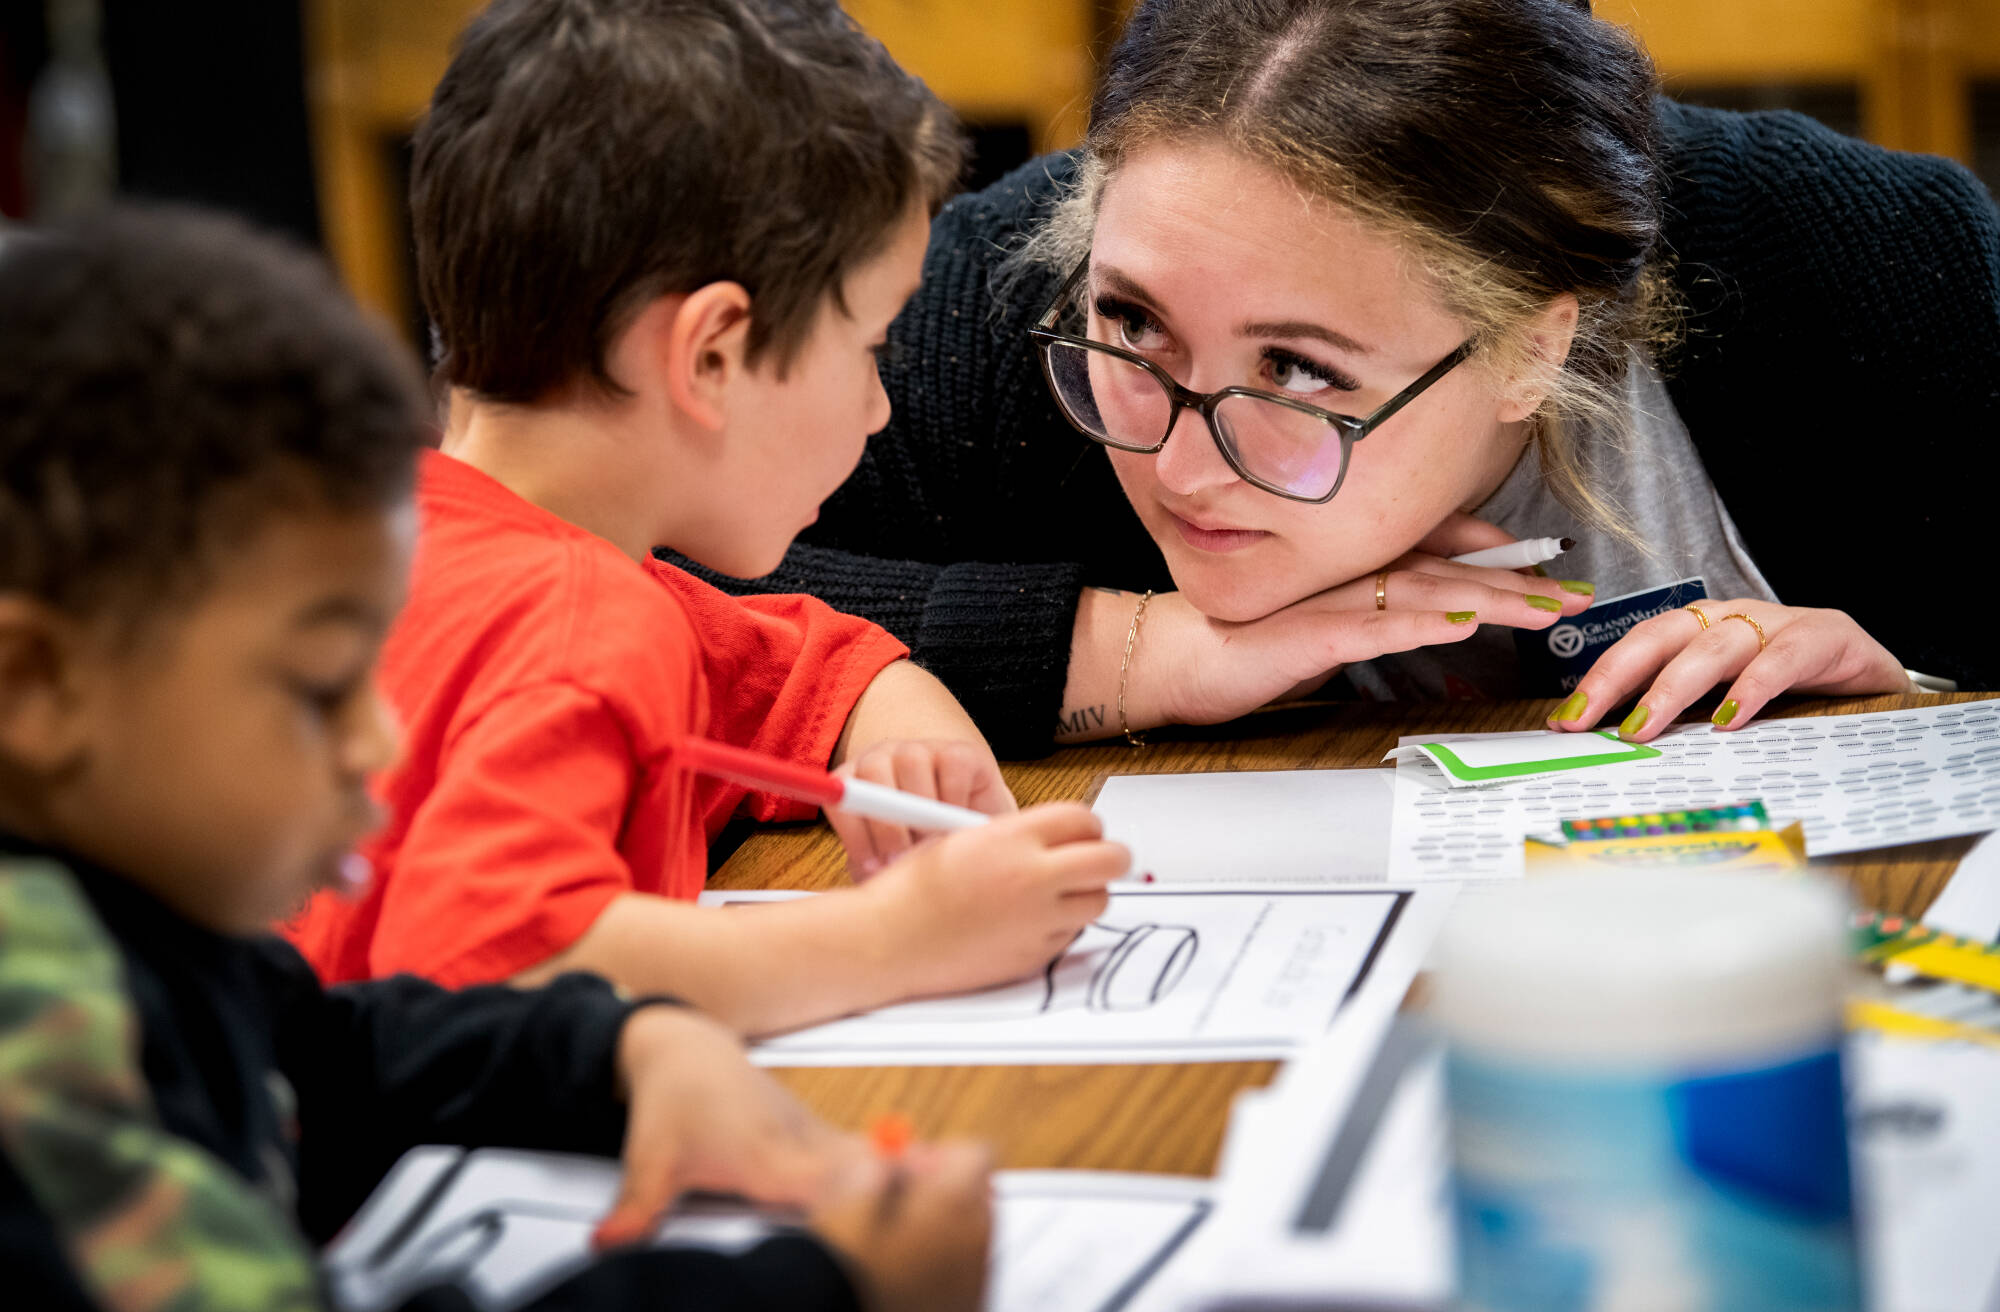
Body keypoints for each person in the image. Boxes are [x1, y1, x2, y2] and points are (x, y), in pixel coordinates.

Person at [0, 207, 992, 1312]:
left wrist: (622, 1053)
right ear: (37, 690)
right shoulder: (35, 1046)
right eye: (321, 685)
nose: (376, 740)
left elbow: (328, 1053)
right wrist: (822, 1285)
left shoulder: (121, 917)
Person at [680, 0, 2000, 759]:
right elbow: (561, 564)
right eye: (1136, 330)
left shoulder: (1883, 270)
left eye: (1299, 372)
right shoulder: (1005, 295)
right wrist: (1135, 651)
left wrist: (1929, 693)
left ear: (1535, 344)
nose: (1185, 468)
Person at [282, 0, 1127, 1034]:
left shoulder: (422, 531)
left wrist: (900, 724)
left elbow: (793, 663)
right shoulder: (577, 617)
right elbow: (492, 964)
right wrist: (902, 937)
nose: (876, 408)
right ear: (711, 356)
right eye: (868, 350)